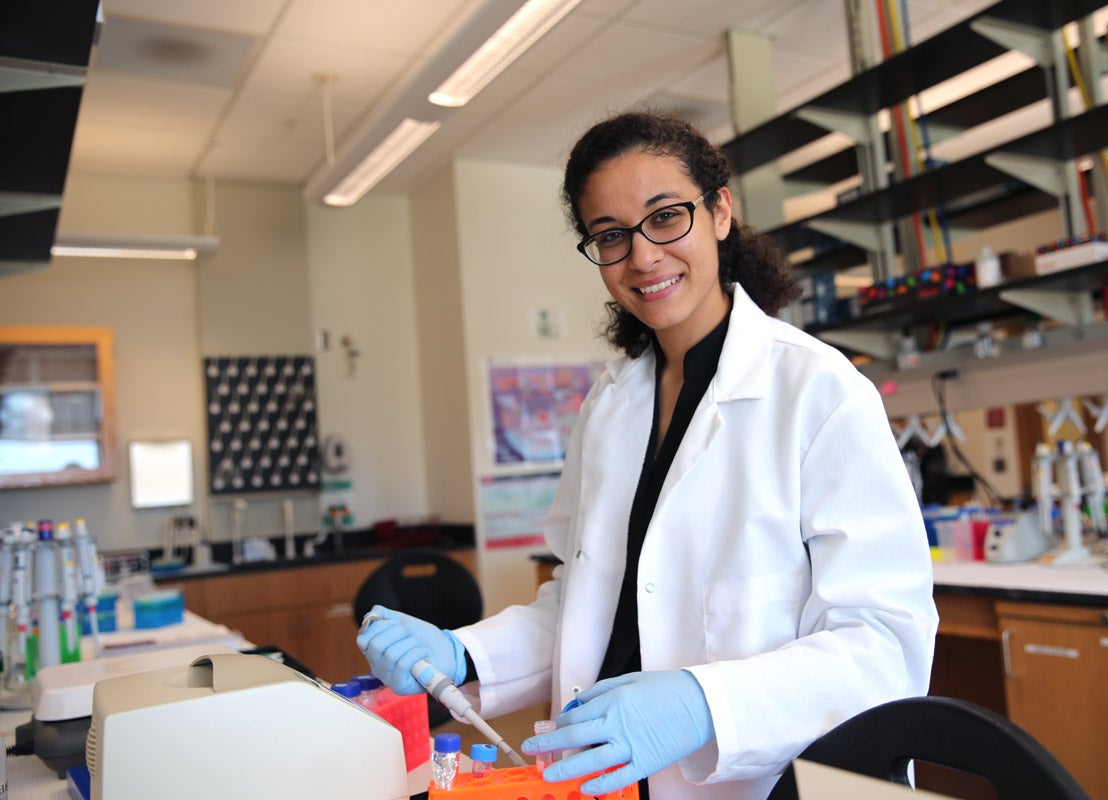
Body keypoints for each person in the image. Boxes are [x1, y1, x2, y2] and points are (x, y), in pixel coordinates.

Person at [358, 111, 938, 800]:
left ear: (720, 211)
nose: (642, 256)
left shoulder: (820, 392)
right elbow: (584, 607)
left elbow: (883, 647)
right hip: (608, 779)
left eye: (666, 217)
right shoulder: (608, 408)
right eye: (610, 236)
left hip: (768, 785)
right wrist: (464, 652)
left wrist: (704, 704)